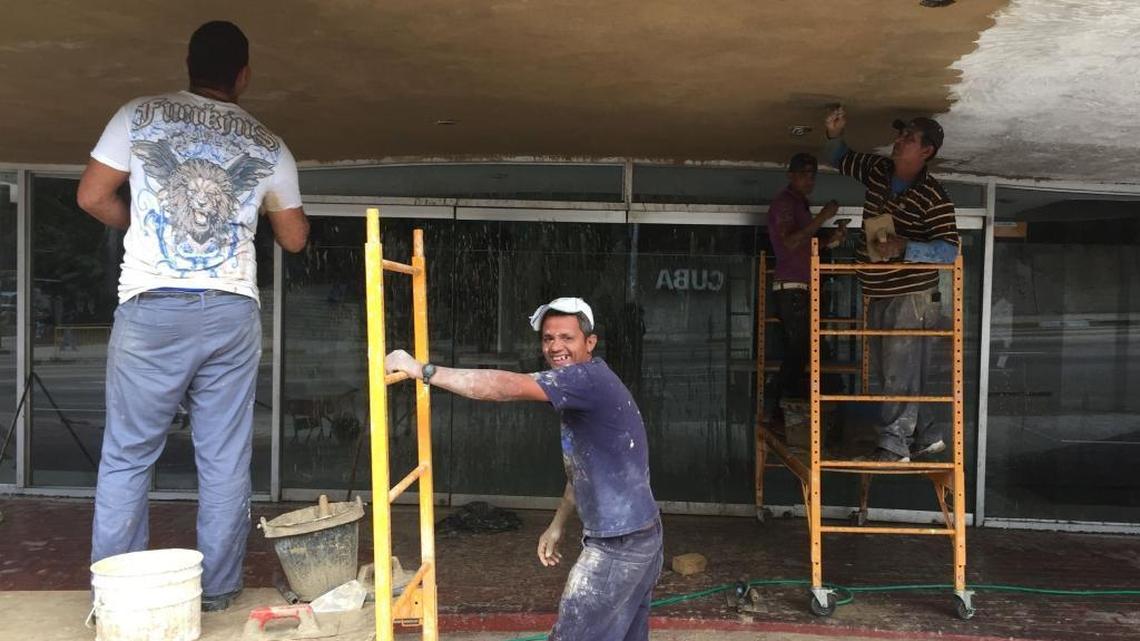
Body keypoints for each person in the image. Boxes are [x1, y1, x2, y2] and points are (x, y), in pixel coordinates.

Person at [78, 21, 309, 611]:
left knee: (129, 455)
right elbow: (294, 238)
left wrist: (143, 229)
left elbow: (91, 195)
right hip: (231, 310)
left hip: (152, 305)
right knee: (225, 460)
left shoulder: (139, 114)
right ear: (244, 74)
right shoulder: (268, 145)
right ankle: (218, 592)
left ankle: (120, 596)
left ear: (187, 63)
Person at [385, 297, 662, 641]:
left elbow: (504, 387)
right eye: (548, 339)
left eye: (567, 337)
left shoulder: (584, 380)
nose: (555, 347)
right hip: (641, 534)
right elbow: (585, 468)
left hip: (620, 544)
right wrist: (558, 524)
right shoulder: (583, 385)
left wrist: (422, 371)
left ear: (590, 342)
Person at [822, 107, 958, 463]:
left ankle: (895, 445)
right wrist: (834, 133)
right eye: (900, 136)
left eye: (908, 139)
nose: (898, 142)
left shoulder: (932, 195)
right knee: (896, 369)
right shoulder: (879, 171)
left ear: (926, 151)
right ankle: (927, 435)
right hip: (880, 288)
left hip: (913, 294)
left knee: (899, 369)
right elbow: (840, 157)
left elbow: (949, 252)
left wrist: (905, 247)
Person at [767, 153, 847, 430]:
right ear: (791, 175)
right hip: (792, 288)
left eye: (813, 173)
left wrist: (829, 239)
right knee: (799, 350)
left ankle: (781, 408)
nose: (809, 178)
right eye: (804, 173)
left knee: (801, 350)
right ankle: (777, 409)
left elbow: (804, 244)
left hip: (801, 286)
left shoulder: (799, 204)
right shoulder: (785, 203)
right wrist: (822, 219)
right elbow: (790, 242)